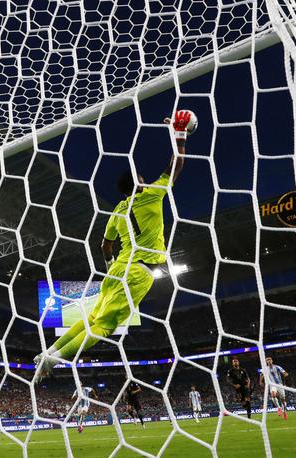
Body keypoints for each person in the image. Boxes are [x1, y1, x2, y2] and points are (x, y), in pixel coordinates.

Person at [34, 110, 195, 380]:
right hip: (138, 272)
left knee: (90, 319)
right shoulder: (151, 196)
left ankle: (49, 351)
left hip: (116, 270)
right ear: (139, 185)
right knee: (104, 327)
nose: (145, 180)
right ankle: (55, 359)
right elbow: (177, 164)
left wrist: (111, 268)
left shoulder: (117, 212)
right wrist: (179, 134)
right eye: (142, 178)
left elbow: (104, 245)